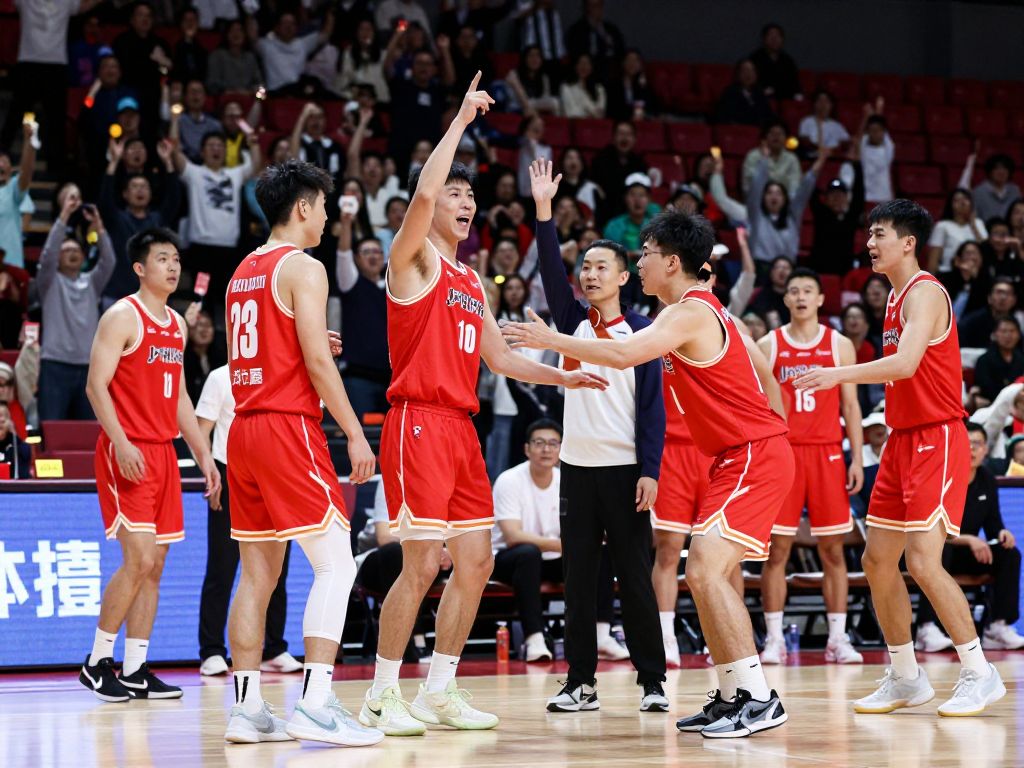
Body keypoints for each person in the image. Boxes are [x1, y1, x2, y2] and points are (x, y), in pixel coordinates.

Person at [361, 74, 607, 737]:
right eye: (456, 193)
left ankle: (440, 690)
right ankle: (381, 693)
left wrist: (567, 378)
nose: (466, 202)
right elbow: (422, 193)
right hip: (417, 420)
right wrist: (462, 121)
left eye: (471, 195)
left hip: (461, 429)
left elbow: (500, 359)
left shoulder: (472, 279)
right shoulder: (412, 260)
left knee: (477, 561)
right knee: (422, 562)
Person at [502, 208, 795, 739]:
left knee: (705, 571)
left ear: (672, 262)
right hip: (736, 455)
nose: (639, 264)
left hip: (750, 453)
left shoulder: (690, 313)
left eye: (646, 254)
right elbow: (762, 368)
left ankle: (757, 697)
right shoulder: (697, 312)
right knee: (700, 573)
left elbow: (621, 354)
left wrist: (553, 339)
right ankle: (732, 693)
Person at [794, 199, 1008, 717]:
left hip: (938, 436)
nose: (870, 243)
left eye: (880, 234)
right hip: (901, 439)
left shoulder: (926, 292)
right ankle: (907, 676)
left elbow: (907, 363)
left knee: (923, 561)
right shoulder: (892, 298)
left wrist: (836, 374)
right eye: (869, 234)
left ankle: (980, 672)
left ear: (908, 242)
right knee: (876, 560)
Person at [219, 159, 381, 745]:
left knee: (257, 576)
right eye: (325, 206)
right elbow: (315, 361)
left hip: (244, 429)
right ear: (304, 206)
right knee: (337, 563)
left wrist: (306, 343)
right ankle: (314, 702)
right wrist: (356, 433)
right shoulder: (305, 267)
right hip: (287, 428)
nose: (328, 217)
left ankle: (247, 709)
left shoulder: (243, 271)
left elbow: (266, 348)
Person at [528, 159, 667, 711]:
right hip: (577, 473)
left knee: (635, 579)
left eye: (600, 267)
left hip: (626, 473)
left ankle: (652, 682)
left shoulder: (645, 333)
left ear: (624, 277)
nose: (589, 275)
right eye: (585, 267)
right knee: (579, 581)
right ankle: (580, 683)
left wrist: (651, 470)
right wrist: (544, 211)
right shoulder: (572, 322)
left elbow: (653, 411)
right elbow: (548, 268)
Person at [79, 228, 220, 703]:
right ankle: (97, 661)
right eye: (162, 259)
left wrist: (203, 454)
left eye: (176, 259)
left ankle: (136, 668)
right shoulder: (122, 315)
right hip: (127, 448)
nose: (173, 266)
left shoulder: (177, 324)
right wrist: (120, 442)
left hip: (163, 452)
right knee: (138, 558)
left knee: (155, 566)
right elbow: (96, 386)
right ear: (140, 268)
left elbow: (178, 397)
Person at [757, 268, 865, 666]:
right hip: (784, 453)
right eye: (794, 291)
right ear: (785, 299)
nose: (801, 297)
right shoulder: (769, 344)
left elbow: (851, 405)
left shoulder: (839, 344)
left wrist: (857, 457)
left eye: (808, 290)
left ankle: (837, 639)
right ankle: (774, 640)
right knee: (776, 551)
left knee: (833, 549)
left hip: (828, 453)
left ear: (821, 299)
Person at [195, 364, 300, 677]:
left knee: (276, 570)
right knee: (222, 568)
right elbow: (200, 433)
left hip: (275, 476)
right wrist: (210, 475)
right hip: (229, 475)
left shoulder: (282, 372)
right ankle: (212, 651)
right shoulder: (220, 377)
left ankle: (274, 648)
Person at [914, 423, 1024, 653]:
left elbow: (993, 525)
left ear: (986, 449)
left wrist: (1002, 534)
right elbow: (930, 529)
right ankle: (926, 628)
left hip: (964, 554)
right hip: (931, 551)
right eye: (967, 443)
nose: (972, 449)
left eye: (978, 444)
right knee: (939, 551)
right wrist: (967, 539)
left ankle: (997, 627)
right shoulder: (941, 476)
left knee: (1009, 554)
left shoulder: (987, 479)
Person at [37, 196, 115, 422]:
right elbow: (47, 255)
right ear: (58, 258)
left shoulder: (92, 282)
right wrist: (64, 216)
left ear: (83, 257)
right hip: (55, 364)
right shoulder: (49, 281)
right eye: (66, 250)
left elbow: (109, 261)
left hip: (89, 366)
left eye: (76, 250)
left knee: (90, 430)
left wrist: (99, 227)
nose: (72, 253)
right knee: (51, 426)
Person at [336, 233, 390, 420]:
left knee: (390, 434)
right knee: (362, 433)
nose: (373, 256)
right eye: (366, 252)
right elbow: (343, 255)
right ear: (356, 258)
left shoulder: (394, 289)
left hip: (390, 380)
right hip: (358, 379)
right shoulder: (351, 283)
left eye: (377, 251)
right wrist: (346, 223)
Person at [0, 123, 38, 269]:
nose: (1, 164)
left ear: (10, 169)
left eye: (4, 161)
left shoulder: (12, 190)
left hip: (10, 267)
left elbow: (26, 172)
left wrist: (28, 142)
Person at [928, 188, 988, 274]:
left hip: (976, 275)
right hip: (949, 273)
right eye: (957, 200)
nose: (962, 202)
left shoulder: (978, 223)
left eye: (965, 199)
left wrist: (973, 226)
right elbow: (933, 262)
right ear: (950, 205)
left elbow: (986, 251)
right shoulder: (942, 226)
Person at [971, 317, 1024, 406]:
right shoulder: (984, 360)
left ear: (1018, 334)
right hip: (991, 405)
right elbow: (984, 388)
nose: (1008, 335)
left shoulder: (1021, 359)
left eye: (1012, 331)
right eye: (1003, 331)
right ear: (995, 334)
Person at [958, 278, 1021, 349]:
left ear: (1014, 301)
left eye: (1008, 293)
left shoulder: (1015, 322)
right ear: (989, 298)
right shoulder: (970, 322)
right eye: (999, 292)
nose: (1003, 297)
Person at [749, 22, 801, 101]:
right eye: (770, 36)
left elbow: (794, 83)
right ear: (764, 39)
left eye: (777, 36)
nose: (774, 39)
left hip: (785, 97)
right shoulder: (754, 59)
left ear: (782, 39)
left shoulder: (788, 60)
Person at [715, 59, 774, 127]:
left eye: (752, 70)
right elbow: (726, 117)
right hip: (740, 129)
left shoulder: (759, 93)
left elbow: (768, 115)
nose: (749, 74)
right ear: (738, 74)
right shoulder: (730, 92)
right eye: (745, 70)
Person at [0, 402, 30, 479]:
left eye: (3, 416)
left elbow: (23, 474)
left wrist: (14, 433)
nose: (1, 420)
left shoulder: (18, 446)